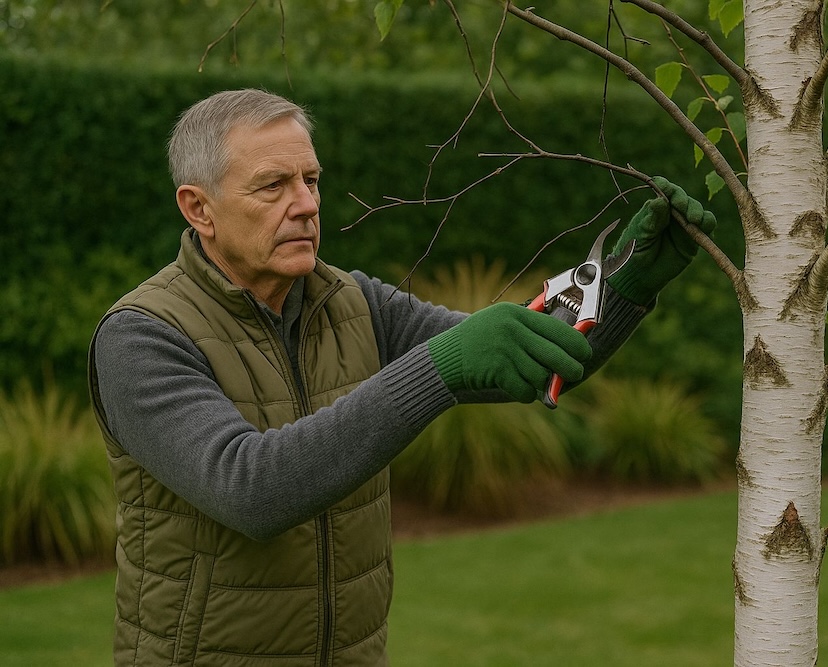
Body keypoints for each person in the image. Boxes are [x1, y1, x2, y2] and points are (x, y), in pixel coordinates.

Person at [88, 88, 716, 666]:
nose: (305, 205)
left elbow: (524, 364)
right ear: (199, 208)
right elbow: (251, 490)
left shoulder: (353, 302)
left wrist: (623, 285)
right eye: (272, 186)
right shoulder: (141, 337)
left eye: (311, 180)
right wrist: (437, 370)